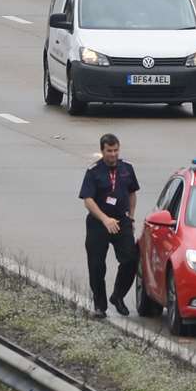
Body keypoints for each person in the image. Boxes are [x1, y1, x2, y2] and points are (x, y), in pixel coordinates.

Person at [78, 133, 139, 317]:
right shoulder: (94, 171)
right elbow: (88, 200)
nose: (113, 154)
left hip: (121, 221)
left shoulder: (127, 168)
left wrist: (131, 217)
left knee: (131, 259)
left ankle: (118, 296)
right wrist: (105, 219)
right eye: (109, 151)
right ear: (102, 151)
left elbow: (132, 193)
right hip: (99, 223)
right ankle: (100, 306)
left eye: (116, 150)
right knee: (96, 265)